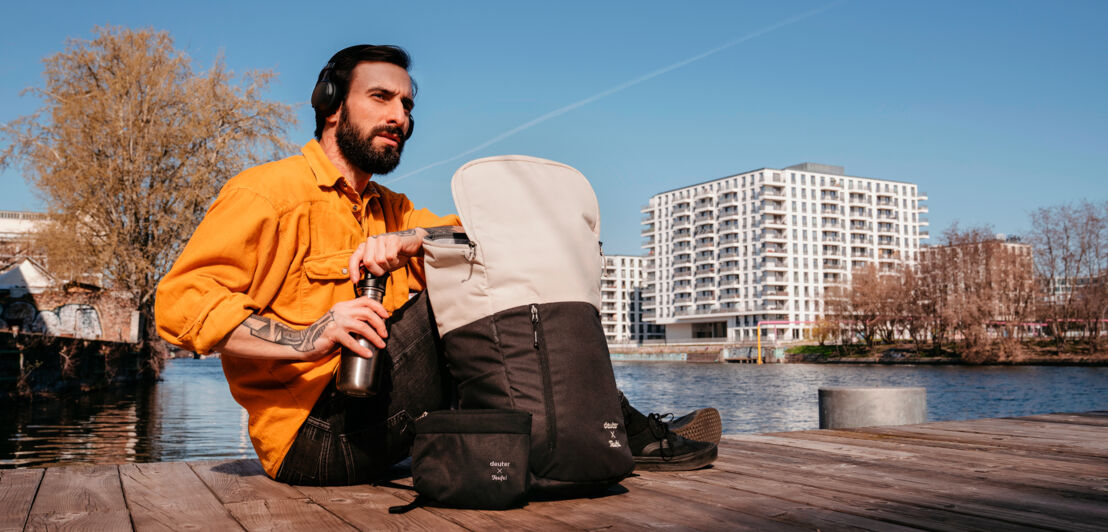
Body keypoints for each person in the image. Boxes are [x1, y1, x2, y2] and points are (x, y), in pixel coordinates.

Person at [155, 44, 719, 486]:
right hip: (316, 438)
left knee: (492, 258)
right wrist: (313, 336)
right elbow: (180, 306)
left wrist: (413, 238)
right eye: (381, 98)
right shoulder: (268, 194)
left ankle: (592, 429)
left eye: (407, 105)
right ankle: (622, 431)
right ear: (330, 104)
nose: (400, 116)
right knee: (462, 292)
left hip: (382, 421)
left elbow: (487, 233)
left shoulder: (393, 210)